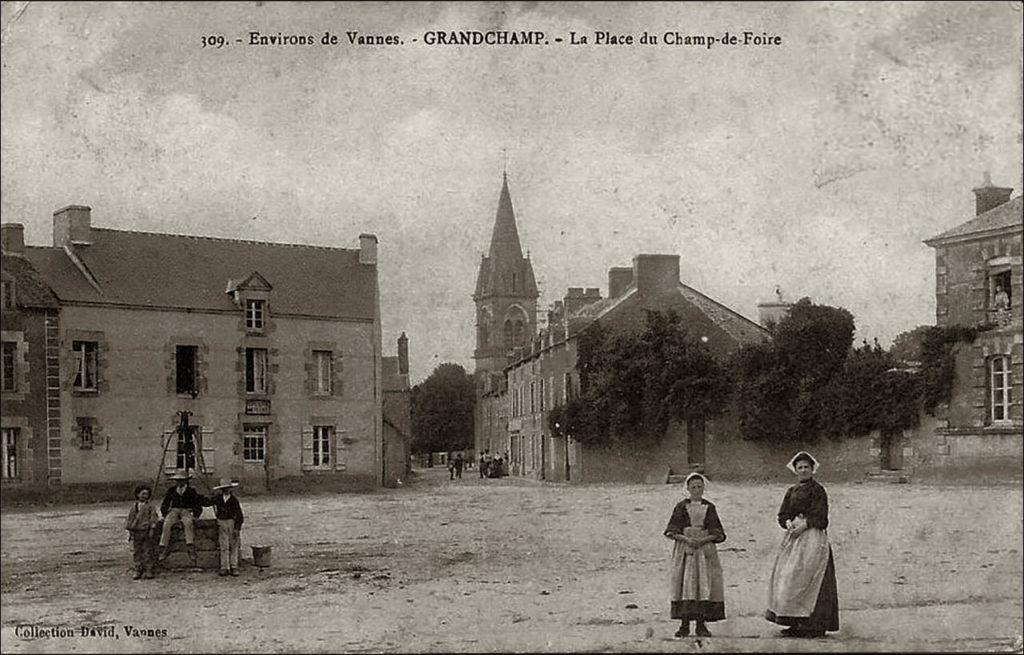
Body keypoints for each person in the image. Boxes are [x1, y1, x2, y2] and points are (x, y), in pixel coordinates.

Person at [765, 451, 840, 638]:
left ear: (813, 469)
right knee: (789, 578)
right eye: (800, 467)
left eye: (807, 467)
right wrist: (788, 523)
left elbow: (821, 516)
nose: (804, 470)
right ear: (795, 470)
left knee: (811, 578)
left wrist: (805, 525)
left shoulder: (818, 490)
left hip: (813, 538)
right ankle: (794, 621)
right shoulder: (791, 491)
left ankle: (813, 624)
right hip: (794, 540)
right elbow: (783, 514)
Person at [663, 472, 727, 637]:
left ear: (703, 488)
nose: (696, 490)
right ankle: (684, 625)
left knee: (702, 585)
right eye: (693, 487)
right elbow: (671, 530)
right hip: (686, 551)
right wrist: (686, 539)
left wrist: (704, 540)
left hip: (704, 551)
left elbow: (717, 531)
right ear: (688, 488)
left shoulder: (710, 507)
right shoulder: (681, 507)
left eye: (699, 487)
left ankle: (701, 625)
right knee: (685, 585)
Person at [158, 469, 206, 571]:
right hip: (174, 510)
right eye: (178, 480)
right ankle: (163, 547)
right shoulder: (171, 490)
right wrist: (164, 513)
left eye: (182, 480)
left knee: (188, 523)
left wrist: (196, 514)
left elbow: (196, 503)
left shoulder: (191, 491)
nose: (179, 482)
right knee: (167, 523)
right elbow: (166, 502)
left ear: (186, 481)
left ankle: (190, 545)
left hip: (186, 510)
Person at [125, 484, 161, 580]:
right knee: (137, 551)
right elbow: (130, 519)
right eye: (142, 494)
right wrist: (130, 530)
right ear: (137, 494)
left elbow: (153, 518)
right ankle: (138, 569)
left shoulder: (150, 507)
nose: (144, 496)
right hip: (136, 531)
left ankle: (148, 569)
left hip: (146, 531)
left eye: (146, 494)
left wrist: (152, 529)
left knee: (147, 550)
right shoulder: (134, 506)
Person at [210, 478, 244, 577]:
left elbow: (239, 515)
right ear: (221, 489)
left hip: (231, 522)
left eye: (227, 488)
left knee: (233, 545)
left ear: (230, 489)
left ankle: (234, 566)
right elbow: (207, 502)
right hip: (221, 522)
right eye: (224, 489)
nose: (226, 490)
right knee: (223, 546)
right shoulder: (218, 498)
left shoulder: (234, 500)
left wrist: (237, 528)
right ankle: (224, 567)